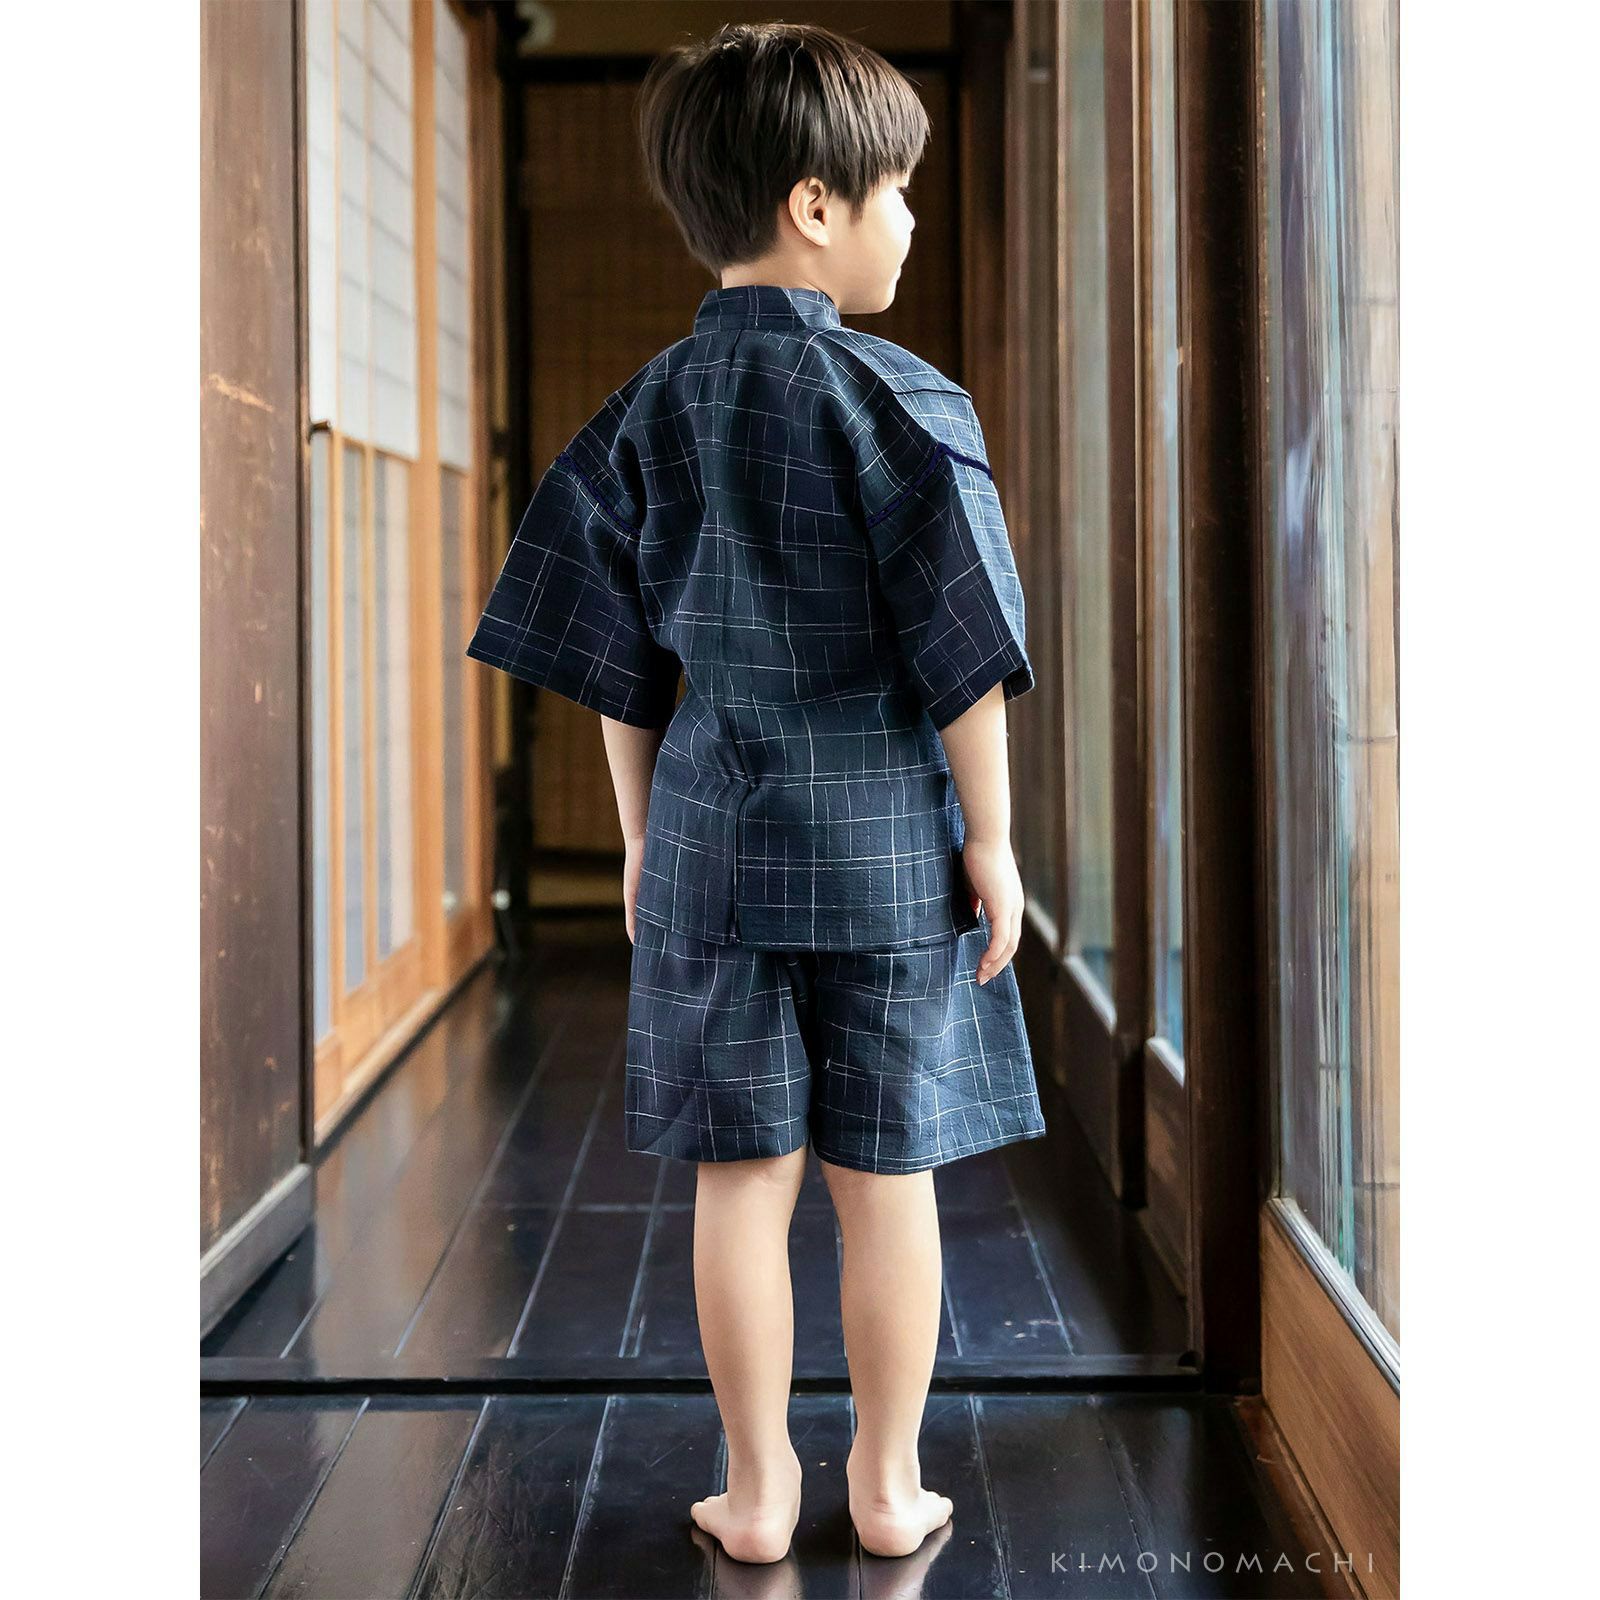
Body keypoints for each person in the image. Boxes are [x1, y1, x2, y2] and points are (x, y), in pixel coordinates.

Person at [467, 19, 1046, 1567]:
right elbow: (965, 661)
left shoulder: (642, 412)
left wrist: (641, 838)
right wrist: (992, 839)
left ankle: (759, 1488)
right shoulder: (906, 403)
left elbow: (615, 668)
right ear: (813, 204)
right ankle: (888, 1484)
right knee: (888, 1176)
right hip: (885, 850)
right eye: (896, 192)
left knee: (738, 1180)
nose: (910, 218)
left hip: (713, 850)